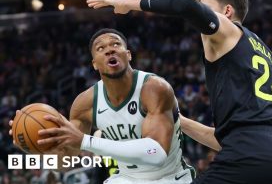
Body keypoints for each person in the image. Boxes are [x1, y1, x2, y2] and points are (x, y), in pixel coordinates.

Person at [86, 0, 272, 183]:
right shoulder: (261, 50)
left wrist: (128, 3)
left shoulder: (227, 31)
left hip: (253, 154)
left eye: (205, 6)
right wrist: (178, 120)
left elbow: (186, 7)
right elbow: (230, 139)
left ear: (227, 11)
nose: (199, 18)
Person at [9, 28, 194, 184]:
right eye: (100, 48)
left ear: (128, 54)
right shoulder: (84, 103)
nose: (109, 50)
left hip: (168, 178)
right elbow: (64, 162)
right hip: (125, 178)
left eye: (115, 44)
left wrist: (85, 141)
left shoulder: (154, 88)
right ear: (94, 64)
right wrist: (39, 148)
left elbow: (156, 154)